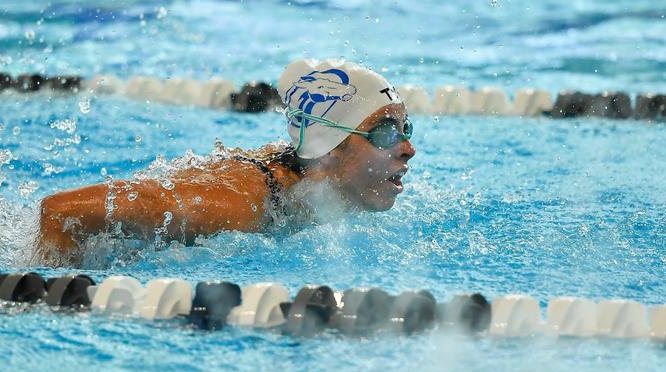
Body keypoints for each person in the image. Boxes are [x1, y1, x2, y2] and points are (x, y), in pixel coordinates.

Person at [38, 59, 416, 266]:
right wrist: (60, 292)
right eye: (385, 134)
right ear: (331, 147)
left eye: (405, 129)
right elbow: (58, 211)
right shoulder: (235, 205)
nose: (407, 149)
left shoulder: (319, 178)